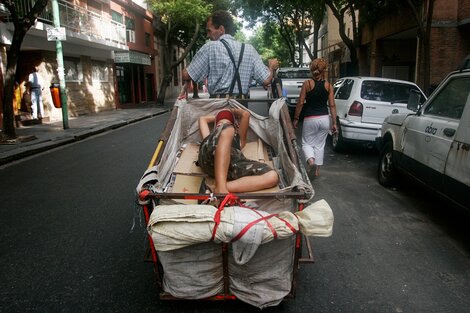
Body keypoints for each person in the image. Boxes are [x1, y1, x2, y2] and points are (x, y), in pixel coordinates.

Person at [182, 10, 279, 99]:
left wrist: (190, 64)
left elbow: (186, 76)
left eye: (209, 31)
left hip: (217, 107)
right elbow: (266, 80)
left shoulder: (210, 47)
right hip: (241, 106)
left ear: (221, 29)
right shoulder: (249, 49)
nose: (207, 35)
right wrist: (271, 67)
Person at [197, 109, 279, 193]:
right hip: (208, 160)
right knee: (227, 130)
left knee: (273, 176)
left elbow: (245, 114)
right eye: (219, 125)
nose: (222, 126)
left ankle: (215, 189)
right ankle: (221, 189)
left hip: (232, 166)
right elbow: (202, 119)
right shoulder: (209, 138)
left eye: (227, 124)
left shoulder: (239, 141)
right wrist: (218, 116)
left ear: (236, 127)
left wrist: (231, 111)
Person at [292, 58, 337, 178]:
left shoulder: (307, 83)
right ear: (323, 71)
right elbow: (332, 105)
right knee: (319, 145)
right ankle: (317, 171)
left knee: (307, 143)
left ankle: (311, 162)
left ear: (312, 70)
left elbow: (300, 102)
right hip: (324, 119)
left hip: (310, 118)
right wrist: (334, 123)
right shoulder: (328, 85)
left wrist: (296, 118)